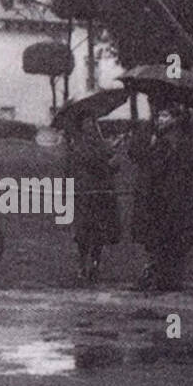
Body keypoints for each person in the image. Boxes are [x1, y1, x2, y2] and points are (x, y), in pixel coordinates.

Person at [129, 100, 193, 292]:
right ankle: (162, 277)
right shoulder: (161, 139)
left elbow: (160, 167)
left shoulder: (174, 141)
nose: (160, 119)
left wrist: (153, 148)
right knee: (163, 238)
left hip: (171, 197)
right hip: (162, 197)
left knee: (170, 238)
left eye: (165, 115)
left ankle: (166, 278)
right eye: (159, 115)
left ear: (175, 119)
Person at [61, 113, 121, 283]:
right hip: (87, 194)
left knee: (94, 232)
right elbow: (96, 164)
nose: (92, 126)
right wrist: (110, 153)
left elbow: (110, 167)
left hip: (96, 194)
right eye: (89, 123)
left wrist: (111, 155)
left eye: (93, 122)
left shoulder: (87, 144)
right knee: (86, 232)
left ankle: (91, 265)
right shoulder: (82, 145)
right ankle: (85, 266)